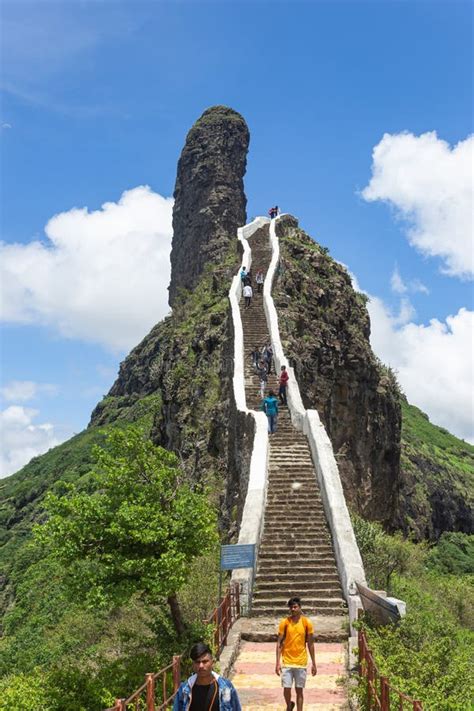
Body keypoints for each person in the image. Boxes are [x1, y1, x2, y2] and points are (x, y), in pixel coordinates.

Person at [275, 597, 317, 711]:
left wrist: (314, 663)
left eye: (295, 607)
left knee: (299, 690)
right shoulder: (285, 623)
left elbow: (311, 644)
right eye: (291, 607)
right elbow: (279, 643)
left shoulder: (306, 623)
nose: (293, 609)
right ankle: (289, 705)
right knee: (286, 688)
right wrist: (277, 663)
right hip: (287, 661)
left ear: (300, 607)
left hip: (301, 662)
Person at [173, 642, 241, 711]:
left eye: (205, 661)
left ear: (212, 663)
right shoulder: (185, 689)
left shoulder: (226, 687)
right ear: (193, 665)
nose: (201, 666)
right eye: (197, 662)